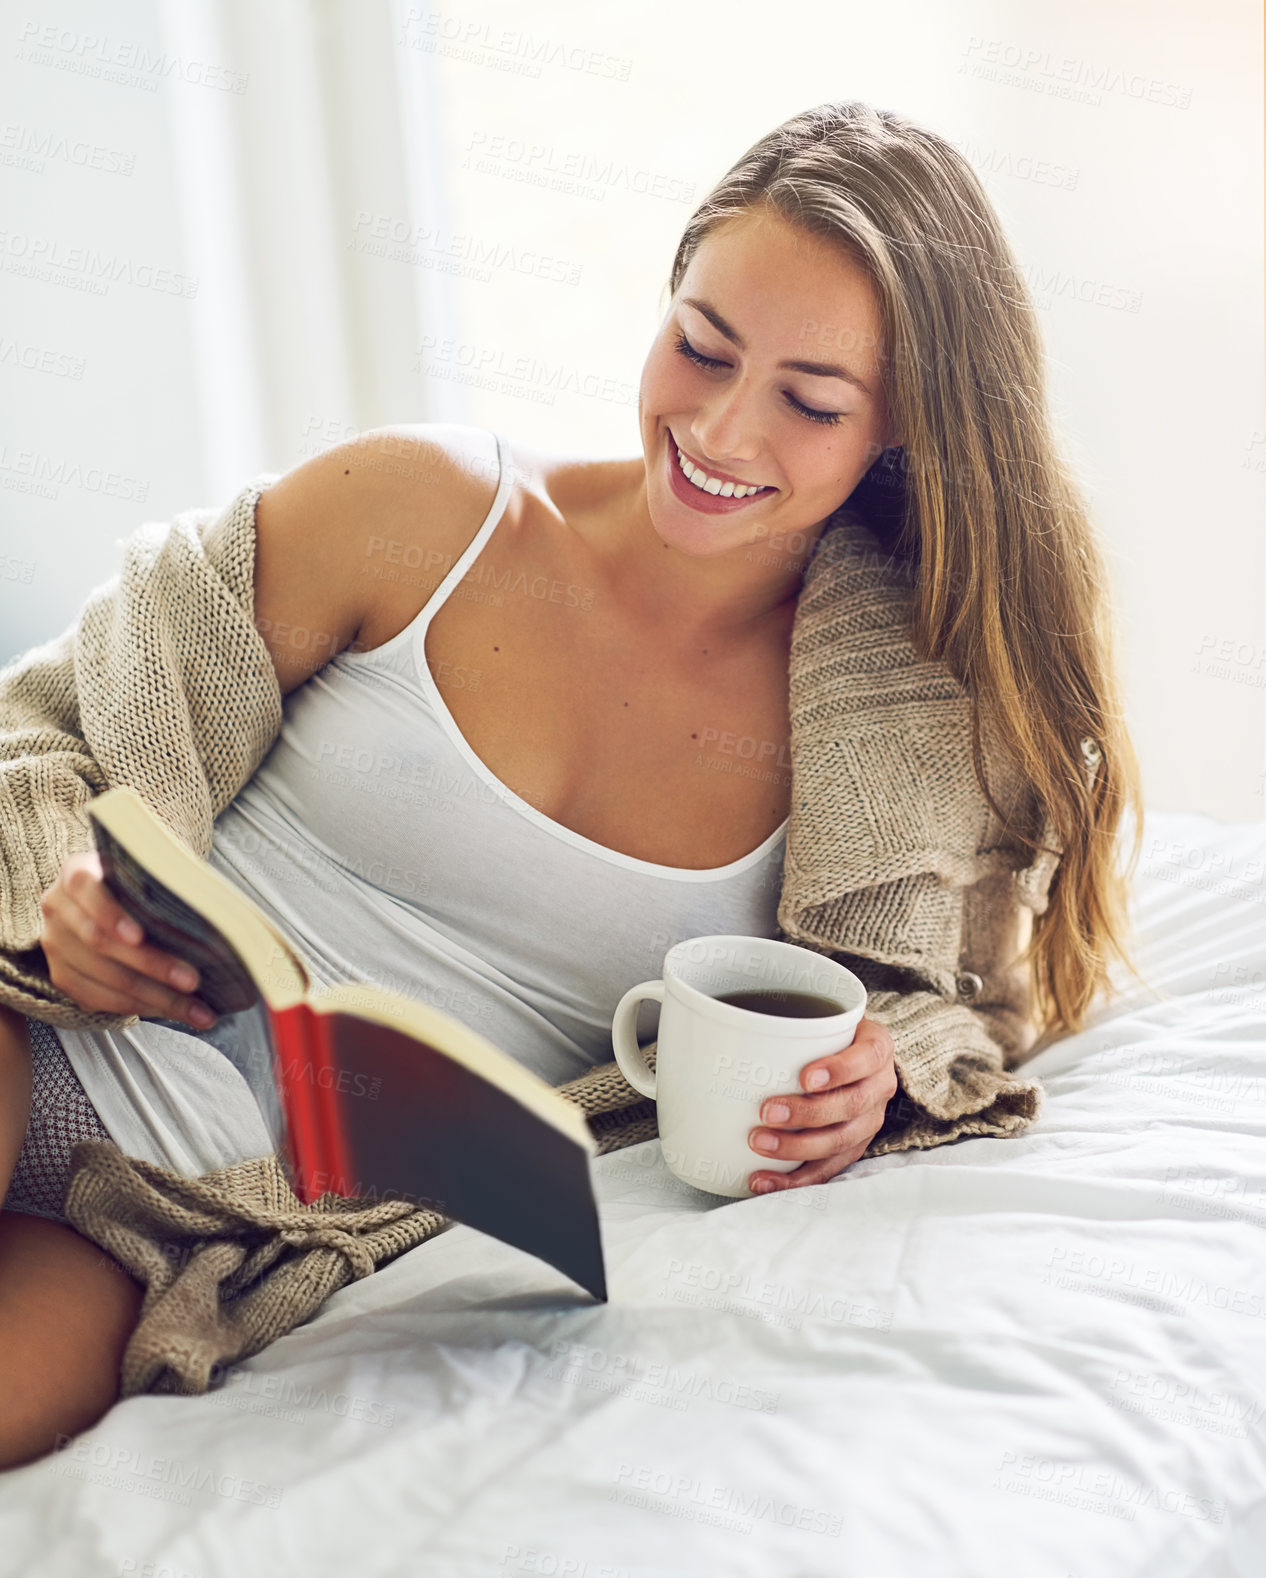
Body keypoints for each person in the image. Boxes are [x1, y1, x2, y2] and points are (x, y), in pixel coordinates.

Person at [0, 99, 1141, 1466]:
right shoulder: (417, 507)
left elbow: (964, 1001)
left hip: (188, 1218)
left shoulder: (907, 734)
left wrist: (878, 1069)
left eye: (807, 400)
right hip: (41, 1022)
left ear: (900, 425)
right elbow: (52, 723)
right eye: (699, 346)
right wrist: (56, 887)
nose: (719, 428)